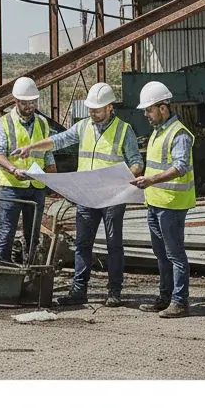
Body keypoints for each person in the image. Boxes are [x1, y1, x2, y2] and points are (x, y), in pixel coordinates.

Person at [12, 81, 143, 307]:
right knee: (82, 245)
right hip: (87, 196)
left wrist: (124, 179)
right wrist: (31, 148)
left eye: (97, 110)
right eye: (90, 109)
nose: (92, 113)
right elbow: (58, 141)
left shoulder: (124, 130)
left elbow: (137, 163)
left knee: (114, 244)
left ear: (110, 107)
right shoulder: (84, 127)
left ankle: (114, 292)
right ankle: (79, 291)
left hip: (112, 198)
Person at [130, 80, 196, 318]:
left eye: (149, 109)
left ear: (163, 107)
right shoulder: (158, 132)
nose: (146, 114)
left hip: (172, 205)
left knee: (175, 255)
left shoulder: (179, 134)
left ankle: (180, 301)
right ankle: (165, 297)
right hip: (156, 203)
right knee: (162, 255)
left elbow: (180, 167)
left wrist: (151, 180)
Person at [0, 76, 56, 264]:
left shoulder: (42, 123)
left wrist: (52, 174)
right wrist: (12, 169)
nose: (30, 106)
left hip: (36, 186)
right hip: (12, 186)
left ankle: (29, 268)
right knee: (7, 231)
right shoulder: (4, 123)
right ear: (16, 101)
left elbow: (47, 152)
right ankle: (2, 266)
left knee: (33, 233)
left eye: (33, 102)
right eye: (26, 103)